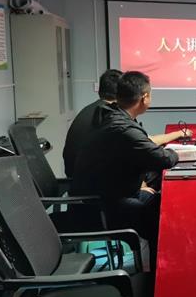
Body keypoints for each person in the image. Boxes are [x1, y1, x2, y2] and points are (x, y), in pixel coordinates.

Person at [72, 71, 179, 270]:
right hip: (105, 204)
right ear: (144, 97)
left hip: (109, 189)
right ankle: (158, 273)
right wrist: (178, 152)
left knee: (160, 192)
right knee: (164, 217)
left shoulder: (110, 115)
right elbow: (163, 159)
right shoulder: (122, 128)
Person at [63, 69, 191, 177]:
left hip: (93, 180)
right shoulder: (117, 122)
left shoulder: (103, 112)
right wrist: (183, 154)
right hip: (100, 189)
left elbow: (142, 143)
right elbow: (161, 157)